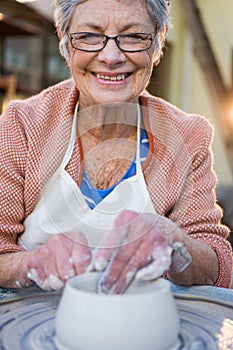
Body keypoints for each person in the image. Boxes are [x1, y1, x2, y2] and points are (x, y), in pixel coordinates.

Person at [0, 0, 232, 293]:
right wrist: (34, 263)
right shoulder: (22, 125)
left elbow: (217, 266)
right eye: (89, 36)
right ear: (65, 40)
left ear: (158, 42)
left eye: (134, 36)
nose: (111, 56)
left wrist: (176, 242)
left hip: (141, 329)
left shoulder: (188, 137)